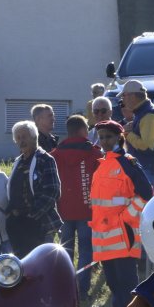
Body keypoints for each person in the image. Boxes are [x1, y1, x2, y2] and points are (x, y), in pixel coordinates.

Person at [88, 120, 153, 307]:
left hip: (123, 235)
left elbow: (146, 193)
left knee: (127, 284)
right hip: (104, 237)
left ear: (119, 137)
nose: (104, 141)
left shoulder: (127, 163)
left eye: (108, 137)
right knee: (114, 284)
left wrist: (127, 217)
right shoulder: (101, 165)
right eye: (101, 137)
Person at [52, 115, 100, 294]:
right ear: (83, 130)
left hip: (63, 210)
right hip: (87, 209)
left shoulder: (55, 154)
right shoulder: (94, 153)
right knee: (86, 249)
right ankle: (82, 288)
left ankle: (65, 289)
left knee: (65, 249)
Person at [6, 120, 62, 254]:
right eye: (18, 138)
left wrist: (32, 214)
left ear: (34, 137)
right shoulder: (18, 162)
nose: (21, 141)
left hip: (41, 224)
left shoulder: (45, 159)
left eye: (24, 137)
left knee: (43, 262)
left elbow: (52, 191)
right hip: (18, 225)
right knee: (22, 263)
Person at [121, 80, 154, 190]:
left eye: (124, 96)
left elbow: (146, 146)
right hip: (146, 170)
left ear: (133, 96)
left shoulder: (149, 115)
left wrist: (128, 134)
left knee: (149, 200)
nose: (122, 100)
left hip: (149, 171)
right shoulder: (143, 112)